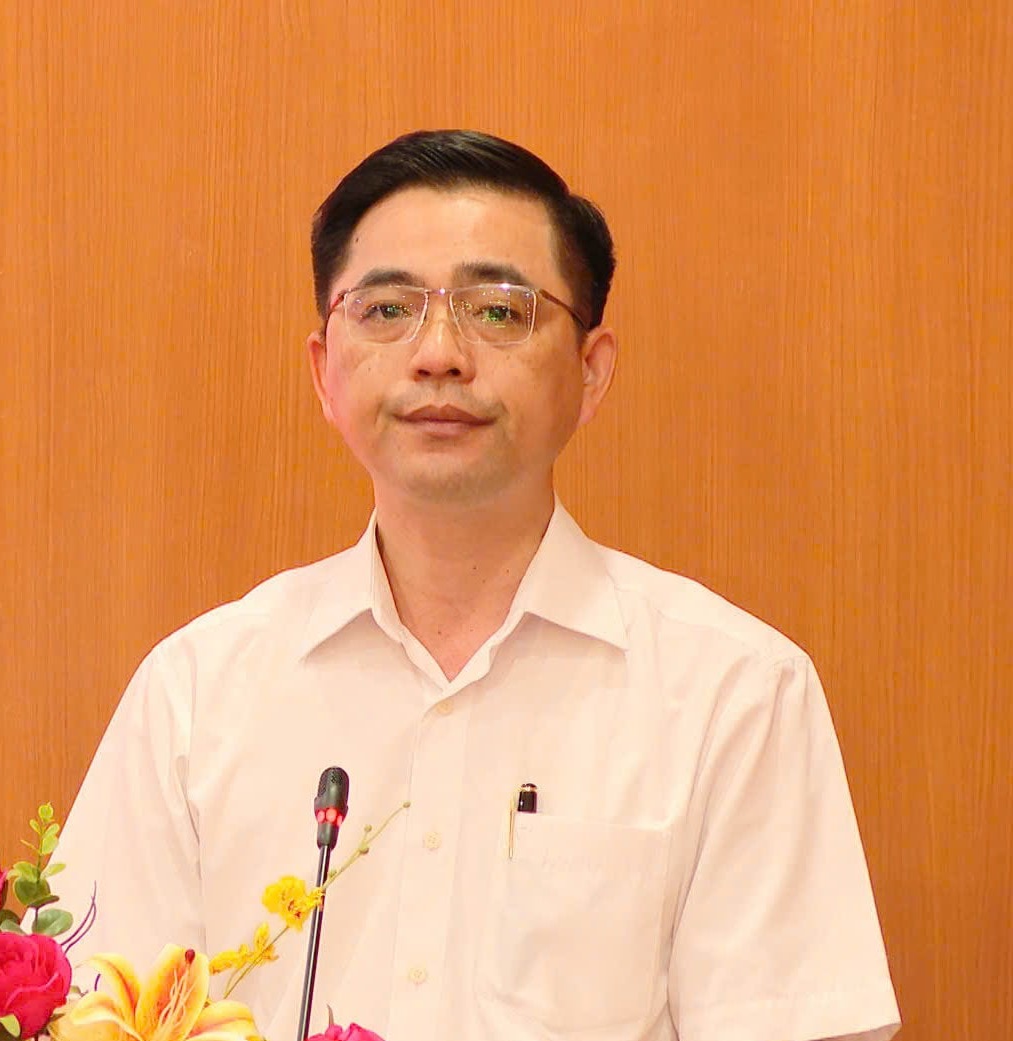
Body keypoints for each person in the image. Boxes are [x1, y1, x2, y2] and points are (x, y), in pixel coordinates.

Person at [49, 130, 900, 1041]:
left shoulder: (731, 692)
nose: (438, 354)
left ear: (590, 371)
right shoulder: (196, 694)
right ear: (323, 372)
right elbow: (91, 1015)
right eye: (386, 310)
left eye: (497, 310)